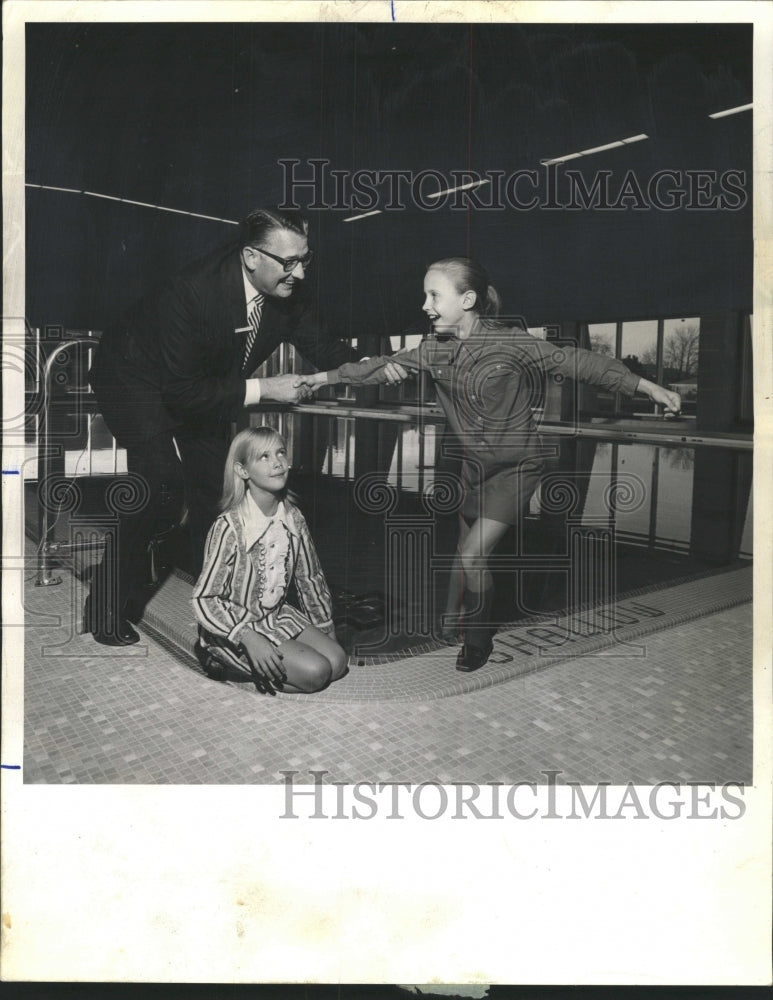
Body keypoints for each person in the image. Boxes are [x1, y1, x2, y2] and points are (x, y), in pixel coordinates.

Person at [301, 256, 682, 672]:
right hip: (474, 467)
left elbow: (581, 364)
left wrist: (647, 386)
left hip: (518, 465)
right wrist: (318, 380)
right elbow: (371, 369)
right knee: (464, 548)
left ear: (467, 299)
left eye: (433, 295)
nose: (425, 305)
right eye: (424, 295)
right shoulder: (433, 350)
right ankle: (450, 622)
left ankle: (478, 640)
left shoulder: (513, 343)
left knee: (472, 555)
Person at [86, 206, 404, 646]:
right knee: (159, 485)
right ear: (251, 257)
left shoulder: (287, 291)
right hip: (133, 378)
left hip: (201, 381)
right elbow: (181, 393)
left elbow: (324, 347)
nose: (300, 273)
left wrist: (370, 367)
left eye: (305, 259)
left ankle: (230, 596)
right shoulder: (192, 291)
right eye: (288, 262)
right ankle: (104, 607)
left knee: (224, 486)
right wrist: (265, 388)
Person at [192, 426, 348, 694]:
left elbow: (310, 579)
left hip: (276, 616)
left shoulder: (293, 517)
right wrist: (248, 638)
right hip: (236, 625)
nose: (277, 462)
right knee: (315, 674)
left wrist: (325, 628)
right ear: (242, 471)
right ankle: (218, 656)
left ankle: (270, 662)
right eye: (263, 457)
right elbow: (204, 598)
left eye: (280, 453)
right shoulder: (230, 527)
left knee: (337, 662)